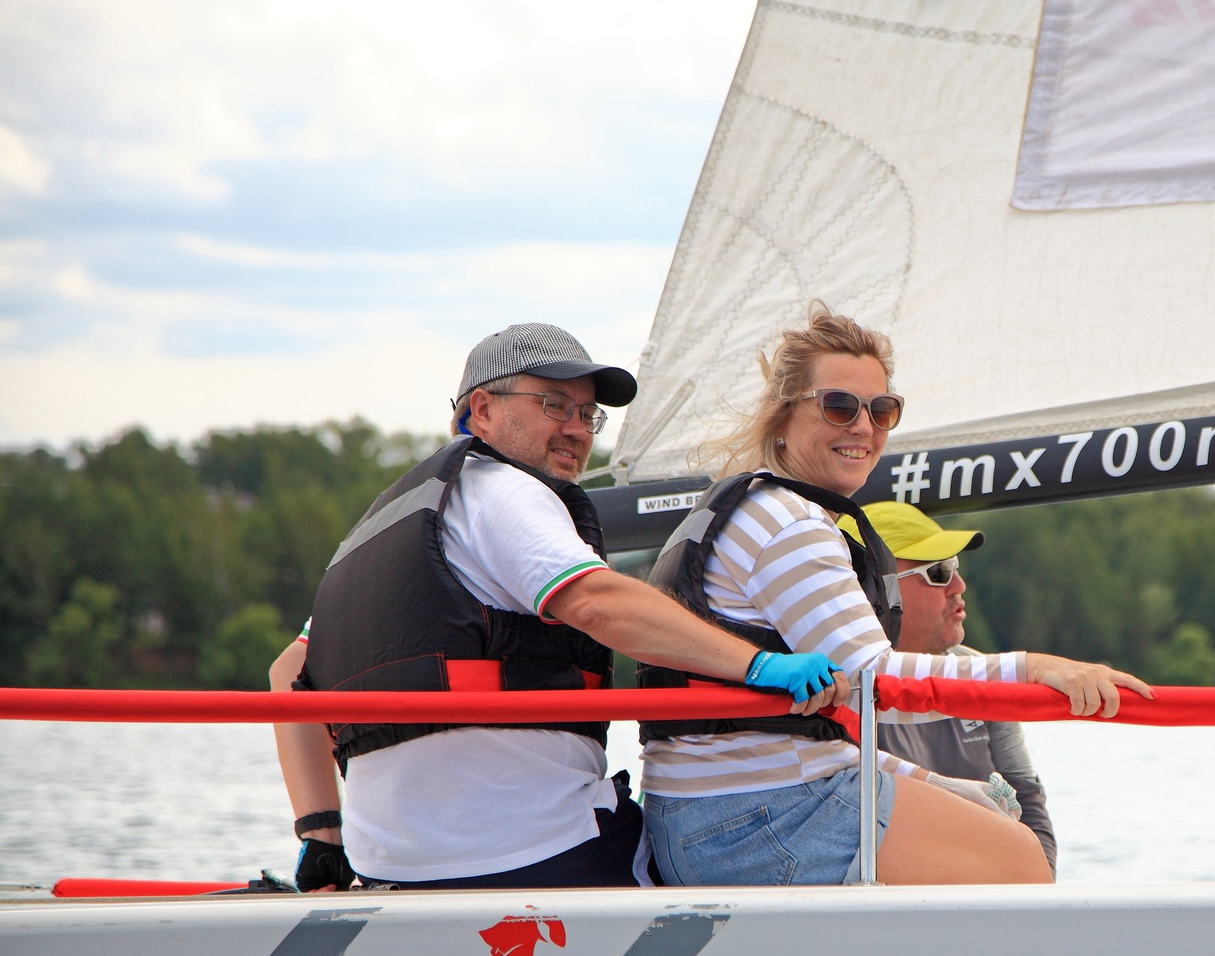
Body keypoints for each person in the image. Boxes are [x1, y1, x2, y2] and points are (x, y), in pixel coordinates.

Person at [267, 323, 847, 892]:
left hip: (390, 864)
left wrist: (322, 837)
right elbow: (594, 601)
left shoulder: (380, 529)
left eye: (588, 415)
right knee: (739, 845)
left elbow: (289, 671)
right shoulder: (502, 488)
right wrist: (758, 666)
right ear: (482, 409)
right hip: (533, 847)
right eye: (554, 405)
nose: (577, 430)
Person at [638, 302, 1151, 887]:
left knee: (990, 828)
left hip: (714, 815)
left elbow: (824, 725)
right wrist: (1035, 668)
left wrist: (938, 783)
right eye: (839, 406)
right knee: (1021, 860)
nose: (863, 427)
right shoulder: (790, 524)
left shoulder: (760, 509)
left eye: (882, 410)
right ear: (784, 415)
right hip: (755, 820)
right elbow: (876, 684)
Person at [844, 501, 1059, 877]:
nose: (959, 587)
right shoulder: (832, 686)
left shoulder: (980, 673)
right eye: (939, 573)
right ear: (874, 590)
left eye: (955, 568)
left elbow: (1027, 799)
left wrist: (1032, 895)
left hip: (979, 896)